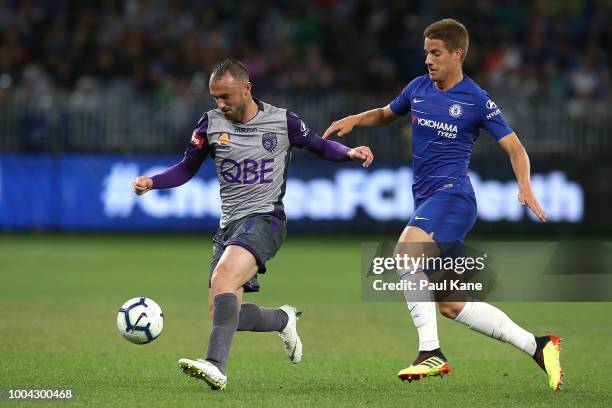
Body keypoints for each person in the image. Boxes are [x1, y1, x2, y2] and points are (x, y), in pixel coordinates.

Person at [323, 19, 563, 390]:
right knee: (451, 304)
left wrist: (525, 186)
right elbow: (388, 113)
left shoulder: (476, 99)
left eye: (436, 54)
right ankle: (539, 346)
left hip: (453, 198)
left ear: (457, 54)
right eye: (426, 54)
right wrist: (357, 119)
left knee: (404, 255)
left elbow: (515, 147)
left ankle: (430, 353)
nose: (429, 61)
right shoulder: (418, 88)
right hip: (430, 199)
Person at [132, 58, 374, 391]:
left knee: (223, 279)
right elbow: (186, 168)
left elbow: (320, 145)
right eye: (215, 97)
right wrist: (153, 182)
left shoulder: (282, 121)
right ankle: (283, 319)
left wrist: (349, 153)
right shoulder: (209, 125)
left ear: (247, 89)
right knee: (224, 310)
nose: (220, 104)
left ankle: (216, 366)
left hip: (265, 219)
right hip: (228, 227)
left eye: (226, 97)